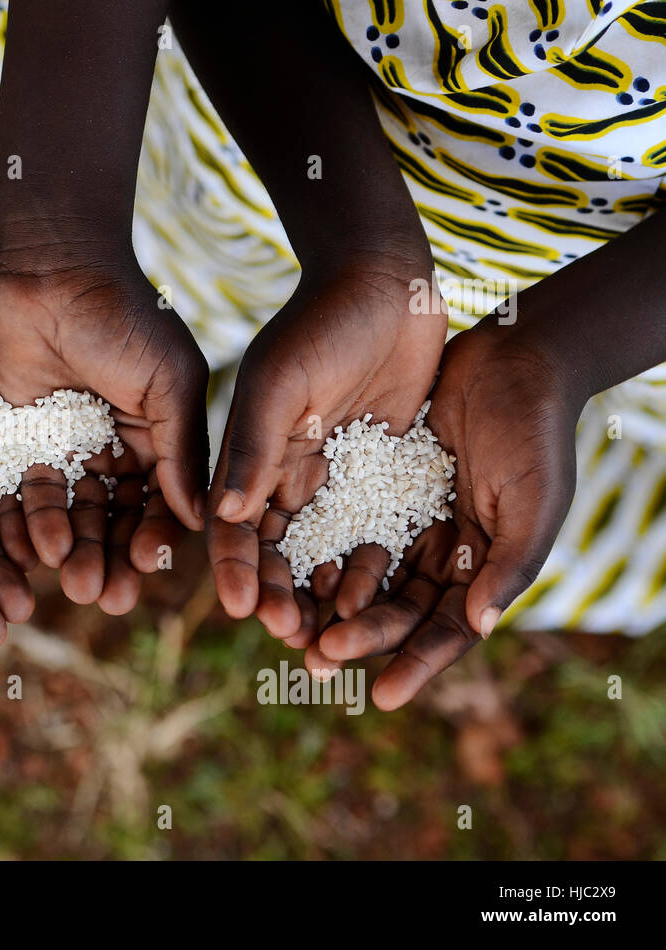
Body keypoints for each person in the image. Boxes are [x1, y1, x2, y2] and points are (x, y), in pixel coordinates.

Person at [178, 1, 666, 708]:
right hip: (287, 165)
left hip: (634, 311)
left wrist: (562, 353)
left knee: (615, 549)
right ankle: (216, 412)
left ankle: (227, 423)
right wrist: (360, 251)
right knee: (182, 296)